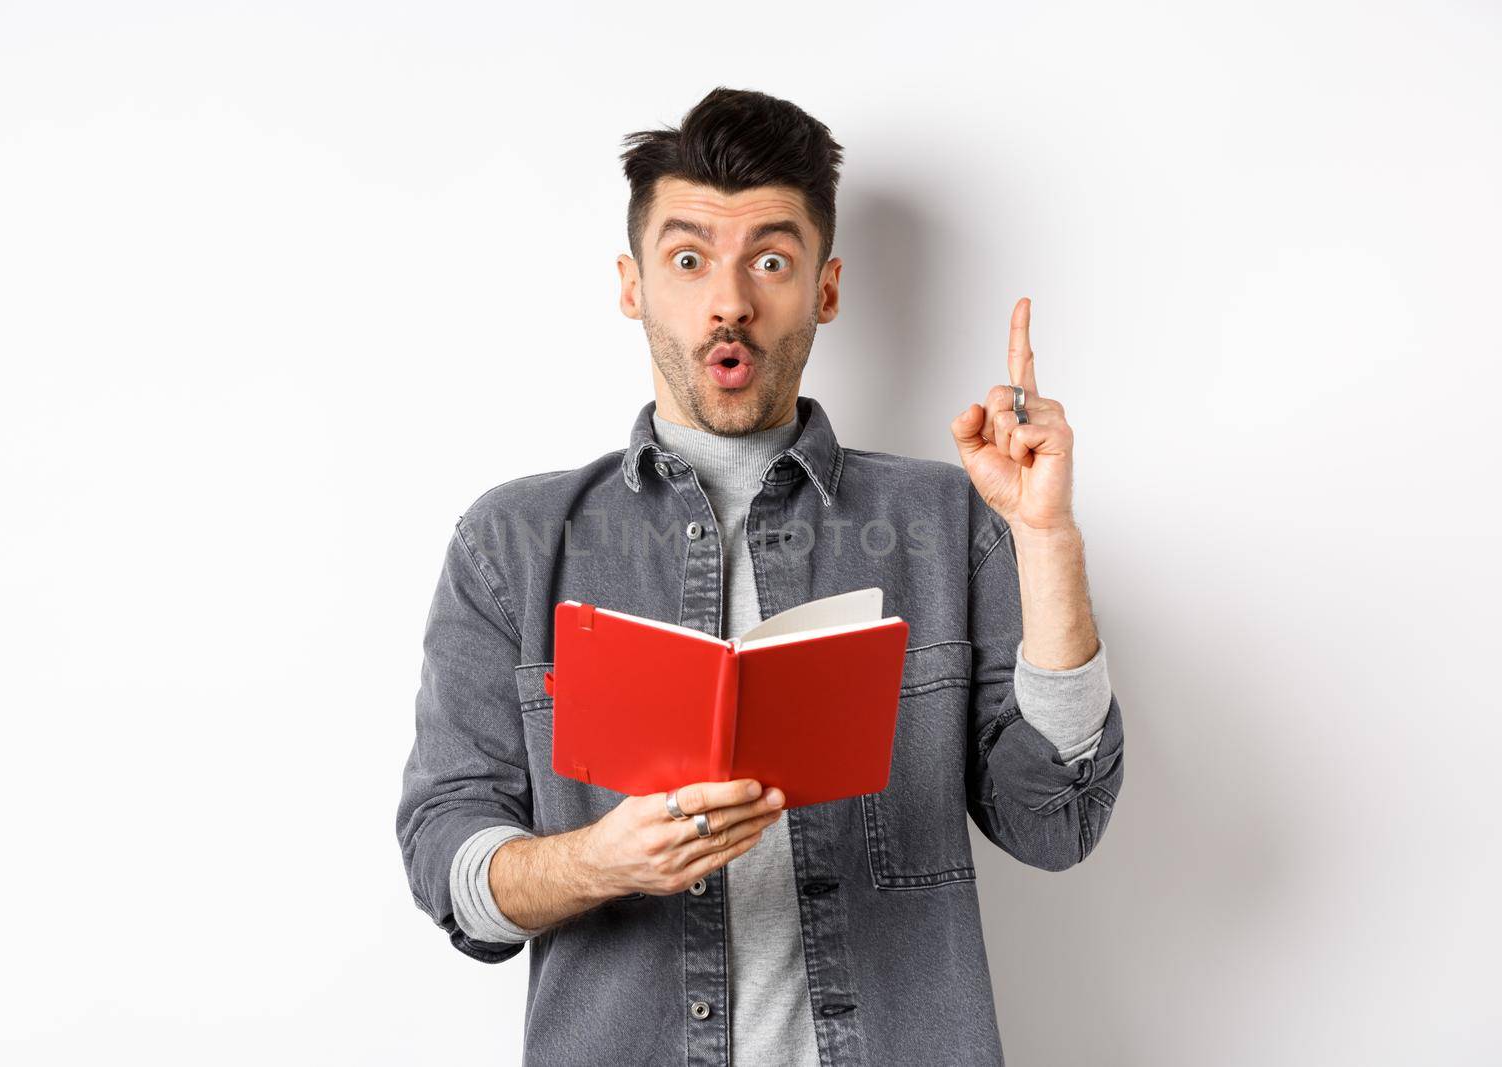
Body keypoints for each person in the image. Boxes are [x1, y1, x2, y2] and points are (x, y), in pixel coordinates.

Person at [395, 86, 1124, 1066]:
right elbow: (449, 858)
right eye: (687, 259)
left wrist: (1045, 540)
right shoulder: (515, 541)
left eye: (769, 260)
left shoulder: (946, 523)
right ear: (632, 284)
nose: (729, 298)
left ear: (824, 289)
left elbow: (1057, 823)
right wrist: (596, 858)